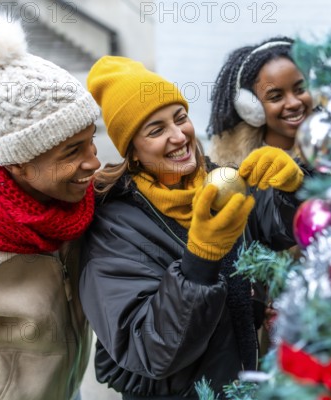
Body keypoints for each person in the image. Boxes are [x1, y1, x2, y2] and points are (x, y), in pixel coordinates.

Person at [79, 56, 304, 399]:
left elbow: (278, 229)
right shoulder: (113, 228)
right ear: (133, 152)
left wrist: (292, 188)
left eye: (180, 118)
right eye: (156, 130)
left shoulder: (217, 182)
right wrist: (200, 259)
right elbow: (148, 347)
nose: (178, 136)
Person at [0, 17, 101, 399]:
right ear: (17, 163)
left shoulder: (68, 204)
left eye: (91, 140)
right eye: (72, 151)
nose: (94, 162)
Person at [207, 36, 314, 167]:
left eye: (301, 89)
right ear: (251, 108)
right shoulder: (227, 165)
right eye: (276, 97)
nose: (294, 103)